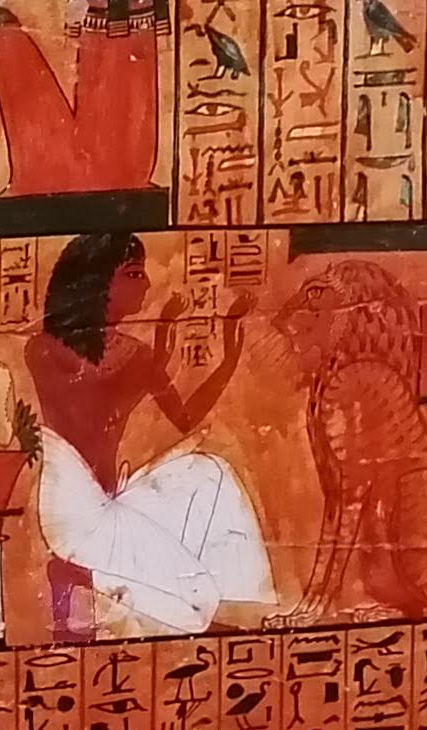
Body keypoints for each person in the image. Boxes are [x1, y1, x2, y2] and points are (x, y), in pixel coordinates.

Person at [23, 231, 274, 637]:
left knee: (207, 475)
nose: (146, 284)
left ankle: (223, 606)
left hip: (105, 499)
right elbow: (98, 384)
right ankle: (167, 609)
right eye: (133, 273)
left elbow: (184, 416)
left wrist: (227, 359)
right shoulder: (47, 349)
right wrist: (160, 346)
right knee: (168, 574)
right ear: (98, 281)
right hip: (75, 507)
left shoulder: (126, 356)